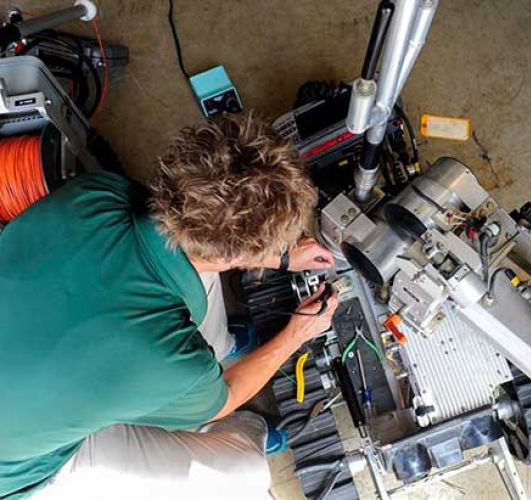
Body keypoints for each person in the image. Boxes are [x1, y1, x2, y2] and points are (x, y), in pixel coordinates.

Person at [0, 112, 338, 499]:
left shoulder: (97, 194)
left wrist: (277, 257)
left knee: (195, 282)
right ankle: (251, 434)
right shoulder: (167, 359)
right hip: (22, 471)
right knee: (244, 474)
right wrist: (297, 332)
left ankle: (224, 347)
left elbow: (192, 239)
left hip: (35, 373)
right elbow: (223, 397)